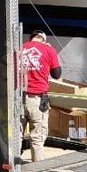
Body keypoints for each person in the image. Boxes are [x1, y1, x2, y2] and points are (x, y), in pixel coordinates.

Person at [21, 30, 61, 162]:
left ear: (31, 38)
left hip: (18, 98)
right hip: (37, 99)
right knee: (37, 138)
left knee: (16, 137)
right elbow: (57, 74)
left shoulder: (20, 49)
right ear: (43, 40)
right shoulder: (48, 50)